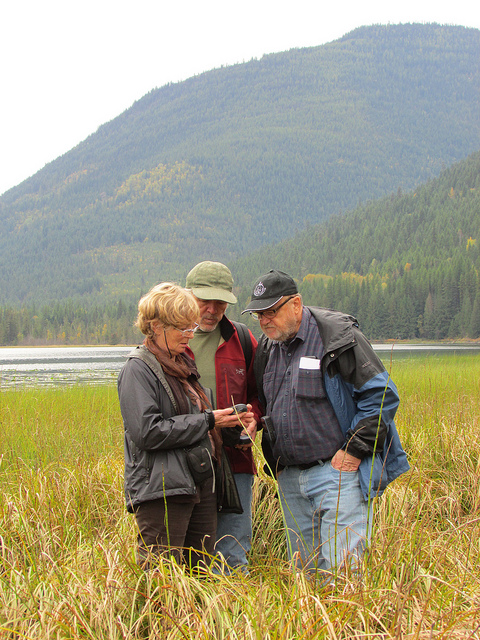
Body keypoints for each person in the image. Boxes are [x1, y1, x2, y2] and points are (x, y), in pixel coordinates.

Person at [243, 269, 410, 582]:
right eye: (258, 314)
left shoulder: (337, 337)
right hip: (289, 478)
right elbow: (268, 402)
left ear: (296, 304)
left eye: (271, 311)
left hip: (337, 475)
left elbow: (382, 396)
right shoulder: (267, 348)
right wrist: (253, 417)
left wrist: (353, 451)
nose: (265, 321)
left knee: (343, 575)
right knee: (304, 578)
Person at [117, 282, 251, 570]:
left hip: (198, 485)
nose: (190, 335)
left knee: (200, 574)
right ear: (155, 325)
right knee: (161, 578)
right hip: (162, 489)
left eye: (191, 327)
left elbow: (198, 422)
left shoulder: (182, 366)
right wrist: (208, 420)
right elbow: (148, 432)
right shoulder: (137, 369)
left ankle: (194, 618)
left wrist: (230, 426)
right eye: (182, 328)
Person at [185, 261, 260, 573]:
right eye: (205, 301)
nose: (212, 310)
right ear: (187, 296)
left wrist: (255, 419)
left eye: (220, 302)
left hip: (235, 460)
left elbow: (261, 393)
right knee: (187, 551)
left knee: (233, 552)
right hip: (184, 461)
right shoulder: (170, 341)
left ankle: (234, 616)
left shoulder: (241, 339)